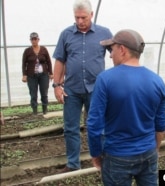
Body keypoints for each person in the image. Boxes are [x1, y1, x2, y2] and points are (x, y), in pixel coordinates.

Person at [87, 29, 165, 186]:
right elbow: (161, 124)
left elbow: (94, 123)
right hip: (148, 153)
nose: (110, 55)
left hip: (117, 156)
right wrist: (154, 149)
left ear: (122, 49)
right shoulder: (157, 81)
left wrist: (95, 153)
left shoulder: (105, 79)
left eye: (112, 49)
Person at [52, 0, 112, 173]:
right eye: (77, 17)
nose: (80, 21)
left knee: (98, 126)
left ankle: (103, 160)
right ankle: (73, 163)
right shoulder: (66, 34)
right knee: (70, 127)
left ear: (91, 15)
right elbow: (60, 60)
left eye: (83, 17)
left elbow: (116, 54)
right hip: (72, 89)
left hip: (96, 89)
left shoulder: (104, 33)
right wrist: (56, 85)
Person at [22, 32, 53, 115]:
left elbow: (49, 62)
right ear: (30, 40)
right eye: (32, 39)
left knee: (44, 93)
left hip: (43, 75)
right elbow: (24, 63)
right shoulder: (27, 51)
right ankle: (35, 111)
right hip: (31, 75)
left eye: (35, 39)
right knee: (33, 93)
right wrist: (24, 75)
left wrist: (50, 73)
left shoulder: (43, 49)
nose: (34, 41)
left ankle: (45, 110)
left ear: (38, 39)